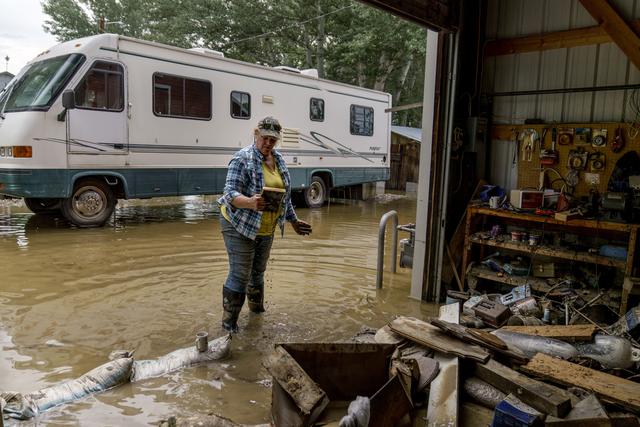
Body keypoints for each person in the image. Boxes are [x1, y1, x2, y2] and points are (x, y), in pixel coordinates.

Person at [217, 116, 312, 333]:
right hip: (239, 223)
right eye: (265, 138)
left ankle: (256, 316)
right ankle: (229, 326)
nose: (268, 143)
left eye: (273, 140)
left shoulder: (278, 160)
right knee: (240, 274)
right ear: (256, 134)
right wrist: (250, 202)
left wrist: (293, 221)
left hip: (266, 226)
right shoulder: (242, 158)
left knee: (258, 272)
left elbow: (284, 197)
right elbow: (229, 193)